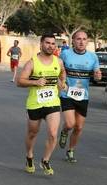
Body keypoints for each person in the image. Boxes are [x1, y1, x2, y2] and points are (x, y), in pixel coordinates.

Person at [17, 34, 66, 175]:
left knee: (52, 133)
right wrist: (35, 82)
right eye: (47, 43)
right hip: (35, 104)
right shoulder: (32, 63)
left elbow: (62, 73)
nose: (50, 46)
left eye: (53, 43)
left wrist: (62, 82)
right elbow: (20, 81)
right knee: (32, 133)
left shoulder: (59, 62)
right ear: (41, 44)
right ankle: (29, 156)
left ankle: (45, 160)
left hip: (52, 102)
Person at [58, 30, 102, 163]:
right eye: (78, 39)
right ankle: (65, 131)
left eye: (84, 39)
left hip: (83, 95)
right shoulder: (65, 54)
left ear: (87, 41)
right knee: (70, 124)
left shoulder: (93, 57)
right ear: (73, 41)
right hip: (67, 93)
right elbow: (58, 70)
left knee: (79, 127)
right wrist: (61, 83)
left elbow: (96, 75)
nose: (81, 41)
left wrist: (97, 76)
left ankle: (70, 151)